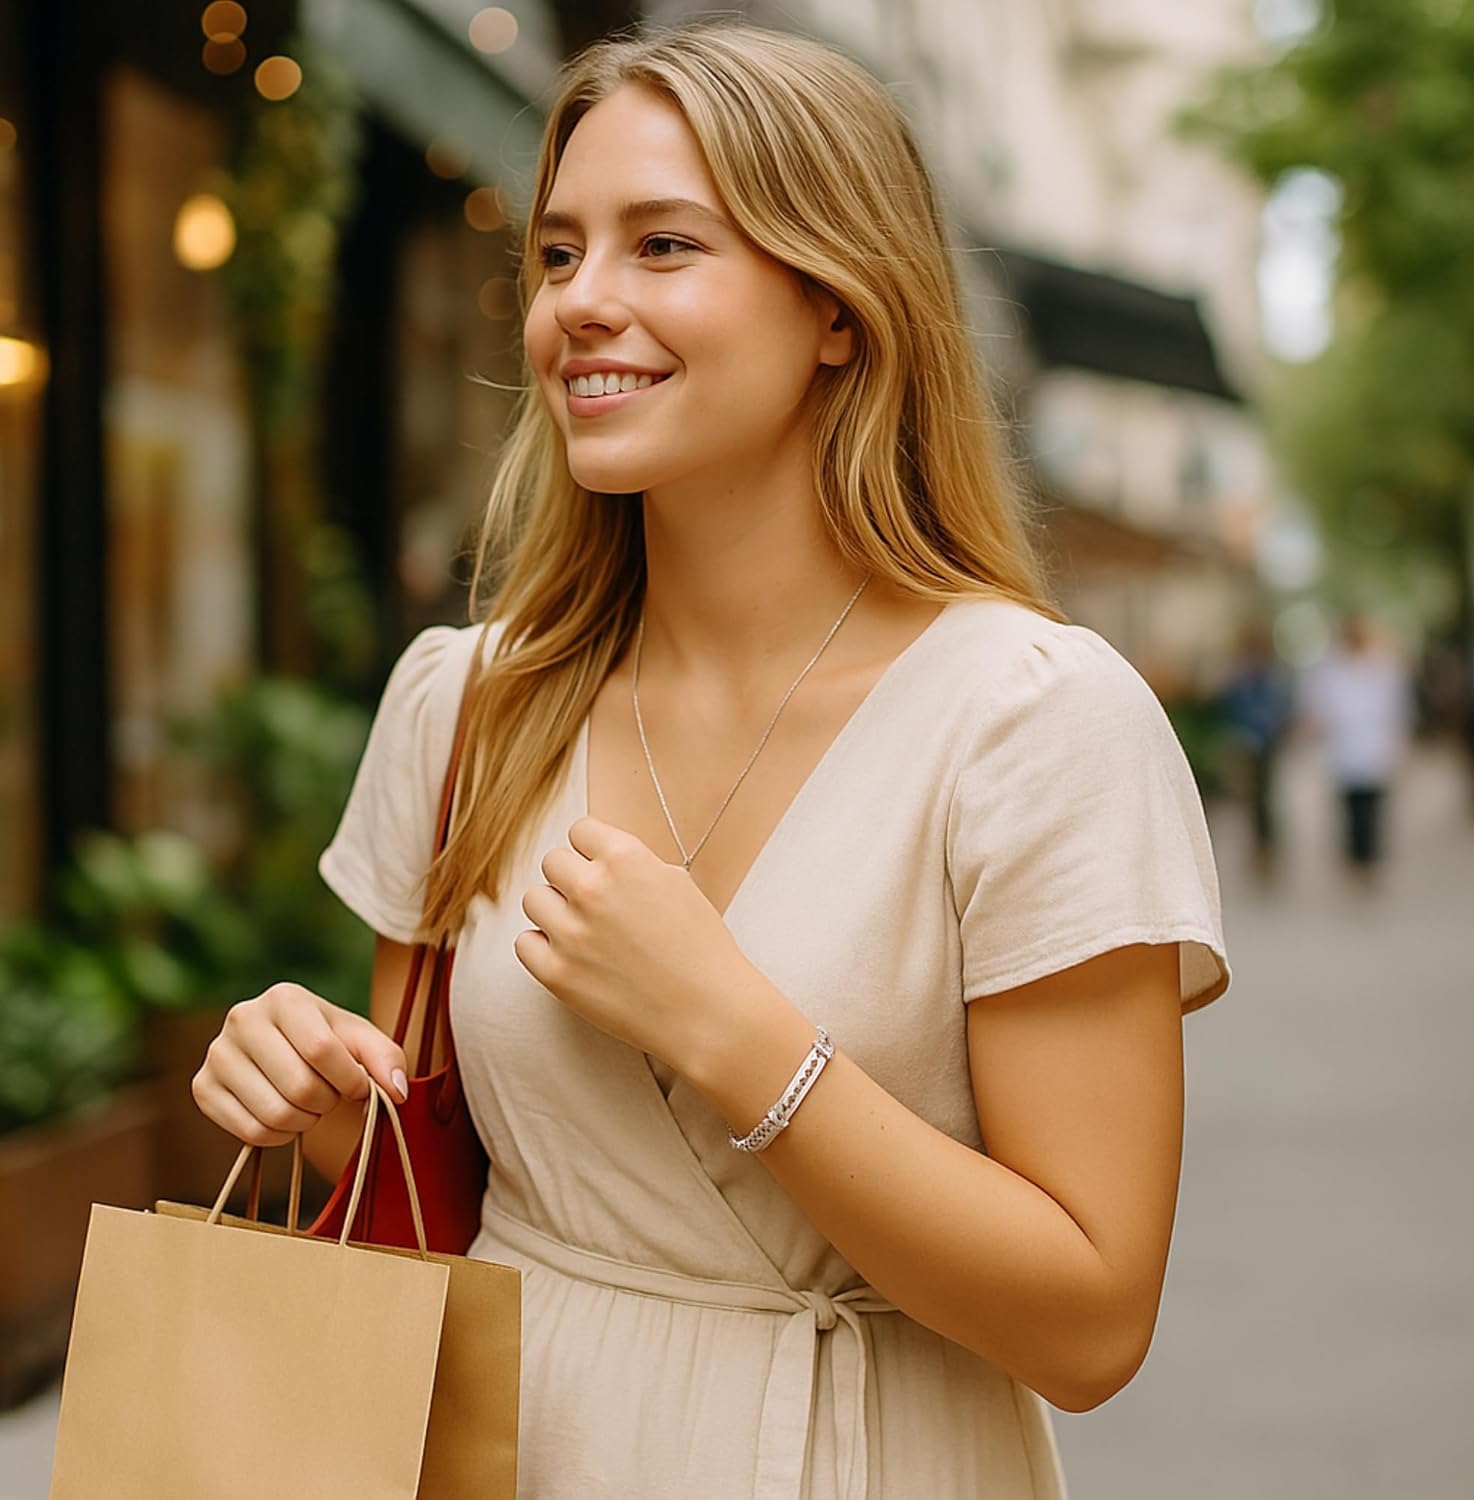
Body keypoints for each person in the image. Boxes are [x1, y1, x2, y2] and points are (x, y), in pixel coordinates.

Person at [191, 21, 1230, 1498]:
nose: (581, 307)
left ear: (842, 310)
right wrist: (318, 1102)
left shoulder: (1035, 724)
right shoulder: (466, 706)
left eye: (664, 245)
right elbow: (421, 1196)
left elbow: (1092, 1320)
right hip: (510, 1450)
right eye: (558, 255)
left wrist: (737, 1038)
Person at [1300, 610, 1413, 884]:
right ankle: (1354, 859)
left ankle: (1369, 860)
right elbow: (1316, 708)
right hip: (1344, 752)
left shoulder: (1384, 668)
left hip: (1374, 749)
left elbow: (1396, 710)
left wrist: (1399, 747)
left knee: (1372, 808)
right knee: (1351, 809)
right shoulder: (1329, 670)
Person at [1219, 617, 1296, 881]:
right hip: (1251, 742)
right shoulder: (1249, 673)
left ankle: (1265, 850)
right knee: (1256, 800)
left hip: (1262, 742)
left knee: (1262, 800)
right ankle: (1261, 850)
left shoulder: (1262, 674)